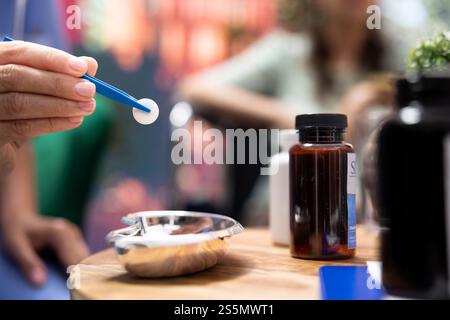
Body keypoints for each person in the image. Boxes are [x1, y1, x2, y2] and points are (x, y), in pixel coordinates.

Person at [178, 0, 419, 224]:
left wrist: (368, 94)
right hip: (284, 215)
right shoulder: (287, 53)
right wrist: (280, 114)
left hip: (373, 220)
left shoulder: (398, 56)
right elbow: (195, 88)